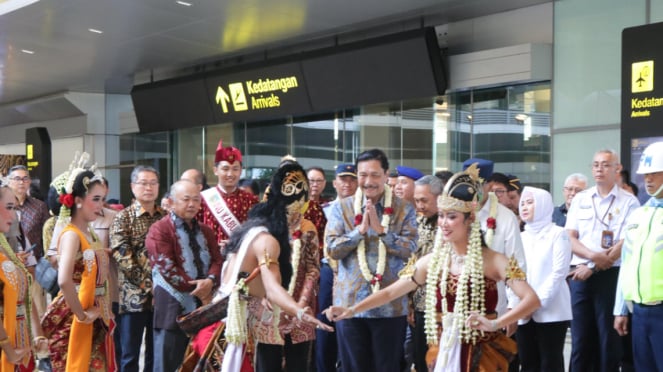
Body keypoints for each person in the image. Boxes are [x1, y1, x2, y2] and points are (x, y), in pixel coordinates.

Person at [325, 163, 540, 371]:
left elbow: (531, 299)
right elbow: (391, 291)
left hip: (481, 352)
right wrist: (351, 309)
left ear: (470, 219)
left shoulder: (494, 260)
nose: (443, 223)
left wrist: (496, 323)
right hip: (444, 350)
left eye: (452, 217)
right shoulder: (433, 261)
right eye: (442, 216)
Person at [187, 161, 333, 372]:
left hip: (225, 327)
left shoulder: (251, 230)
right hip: (231, 332)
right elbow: (272, 288)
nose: (297, 215)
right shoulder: (267, 240)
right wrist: (299, 312)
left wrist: (299, 305)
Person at [325, 148, 418, 372]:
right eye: (363, 175)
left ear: (386, 175)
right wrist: (360, 231)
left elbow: (411, 249)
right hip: (350, 306)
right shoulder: (341, 207)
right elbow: (332, 249)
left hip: (391, 307)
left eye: (375, 175)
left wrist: (382, 231)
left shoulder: (404, 209)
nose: (368, 181)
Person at [565, 149, 639, 371]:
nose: (599, 168)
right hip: (579, 275)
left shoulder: (629, 202)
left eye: (605, 164)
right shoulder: (581, 199)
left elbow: (626, 242)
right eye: (596, 164)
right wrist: (591, 259)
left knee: (608, 340)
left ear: (617, 169)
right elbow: (569, 237)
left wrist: (594, 267)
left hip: (610, 277)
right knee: (580, 340)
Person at [41, 153, 115, 371]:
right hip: (74, 312)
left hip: (95, 309)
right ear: (78, 201)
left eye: (102, 199)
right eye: (95, 199)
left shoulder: (88, 233)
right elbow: (64, 280)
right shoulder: (72, 234)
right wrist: (81, 315)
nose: (101, 205)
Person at [250, 160, 320, 372]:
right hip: (267, 307)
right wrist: (262, 295)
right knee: (267, 364)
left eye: (300, 198)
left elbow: (313, 269)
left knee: (298, 364)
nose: (296, 204)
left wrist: (299, 304)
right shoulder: (263, 228)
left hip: (301, 305)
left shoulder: (308, 228)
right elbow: (253, 266)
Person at [145, 180, 222, 372]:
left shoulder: (206, 231)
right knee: (167, 365)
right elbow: (167, 268)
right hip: (173, 312)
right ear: (170, 202)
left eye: (196, 199)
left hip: (205, 311)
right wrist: (201, 289)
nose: (192, 204)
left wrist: (210, 280)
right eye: (186, 199)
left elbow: (218, 261)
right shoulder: (159, 230)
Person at [613, 141, 663, 371]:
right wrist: (621, 309)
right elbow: (627, 264)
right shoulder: (639, 215)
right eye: (645, 174)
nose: (648, 180)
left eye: (654, 173)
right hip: (640, 314)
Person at [110, 165, 165, 372]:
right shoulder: (123, 218)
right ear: (133, 186)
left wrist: (161, 287)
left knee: (155, 353)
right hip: (132, 297)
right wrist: (148, 285)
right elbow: (122, 256)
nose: (148, 188)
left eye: (153, 183)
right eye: (143, 183)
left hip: (162, 297)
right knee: (129, 355)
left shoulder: (165, 217)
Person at [462, 159, 526, 330]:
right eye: (468, 184)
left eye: (478, 185)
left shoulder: (505, 217)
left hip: (493, 307)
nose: (473, 190)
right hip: (457, 303)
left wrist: (514, 306)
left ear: (490, 185)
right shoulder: (456, 214)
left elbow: (516, 263)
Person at [516, 186, 572, 372]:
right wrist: (519, 303)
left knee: (550, 363)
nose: (524, 207)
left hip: (551, 310)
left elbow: (558, 273)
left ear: (543, 205)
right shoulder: (520, 236)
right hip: (522, 311)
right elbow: (512, 273)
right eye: (522, 203)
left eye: (530, 203)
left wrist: (534, 304)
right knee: (528, 362)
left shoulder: (558, 233)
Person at [0, 186, 49, 371]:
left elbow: (25, 296)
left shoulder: (6, 245)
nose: (14, 217)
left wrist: (37, 335)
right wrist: (8, 349)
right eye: (10, 207)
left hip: (19, 341)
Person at [316, 163, 358, 372]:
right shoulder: (323, 210)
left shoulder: (363, 210)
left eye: (352, 179)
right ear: (335, 183)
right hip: (328, 271)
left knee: (349, 322)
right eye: (343, 179)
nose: (347, 184)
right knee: (324, 321)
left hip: (353, 272)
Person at [410, 175, 444, 372]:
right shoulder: (415, 223)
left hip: (447, 306)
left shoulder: (452, 223)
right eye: (417, 200)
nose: (420, 205)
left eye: (424, 200)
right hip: (421, 304)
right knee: (422, 358)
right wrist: (409, 304)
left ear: (439, 197)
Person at [6, 165, 50, 316]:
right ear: (9, 181)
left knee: (37, 313)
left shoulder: (40, 207)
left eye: (25, 178)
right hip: (7, 270)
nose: (21, 182)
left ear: (30, 182)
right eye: (17, 179)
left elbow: (47, 237)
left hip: (34, 270)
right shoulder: (2, 208)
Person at [201, 140, 258, 247]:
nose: (230, 174)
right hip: (209, 259)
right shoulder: (202, 199)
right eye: (225, 169)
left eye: (235, 169)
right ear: (215, 170)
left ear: (241, 170)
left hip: (241, 258)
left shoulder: (251, 200)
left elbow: (257, 233)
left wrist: (236, 244)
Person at [305, 166, 328, 250]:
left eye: (319, 181)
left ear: (324, 183)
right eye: (311, 180)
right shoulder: (297, 207)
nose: (315, 184)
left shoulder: (328, 206)